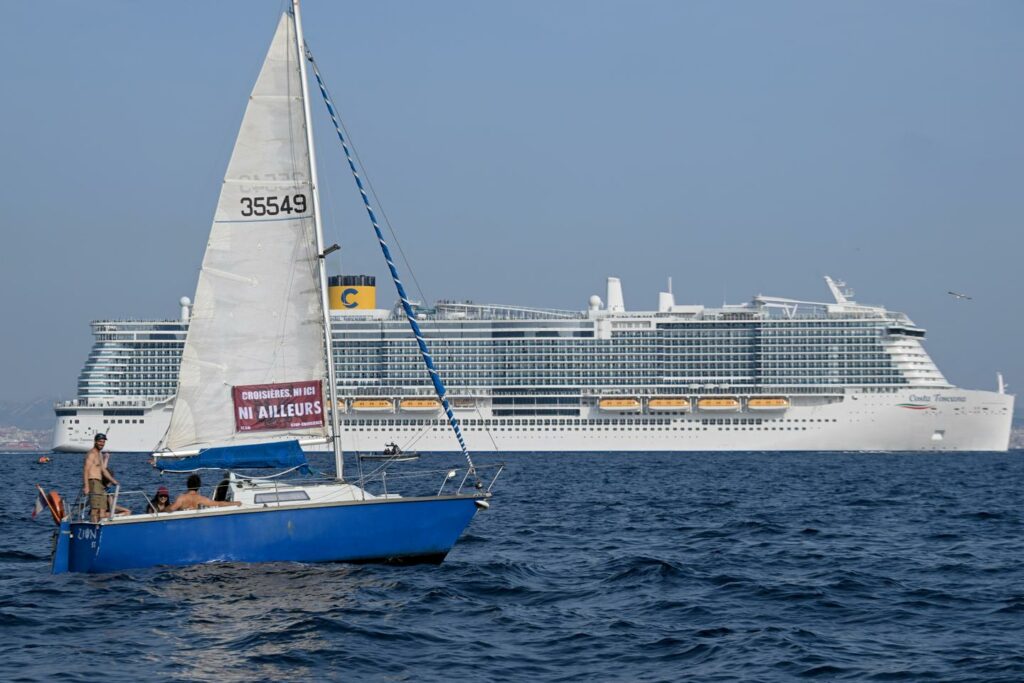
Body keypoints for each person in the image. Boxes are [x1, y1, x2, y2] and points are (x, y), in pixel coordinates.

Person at [83, 433, 117, 522]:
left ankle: (101, 525)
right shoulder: (92, 454)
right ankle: (94, 526)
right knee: (95, 509)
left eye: (103, 442)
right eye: (100, 441)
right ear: (95, 441)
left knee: (102, 507)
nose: (102, 443)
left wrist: (113, 481)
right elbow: (86, 470)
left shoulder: (99, 454)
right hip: (93, 482)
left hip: (99, 484)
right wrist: (86, 486)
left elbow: (103, 470)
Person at [168, 474, 241, 512]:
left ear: (187, 485)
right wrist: (234, 503)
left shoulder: (181, 498)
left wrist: (162, 509)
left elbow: (171, 509)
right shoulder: (202, 499)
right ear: (199, 486)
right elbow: (219, 504)